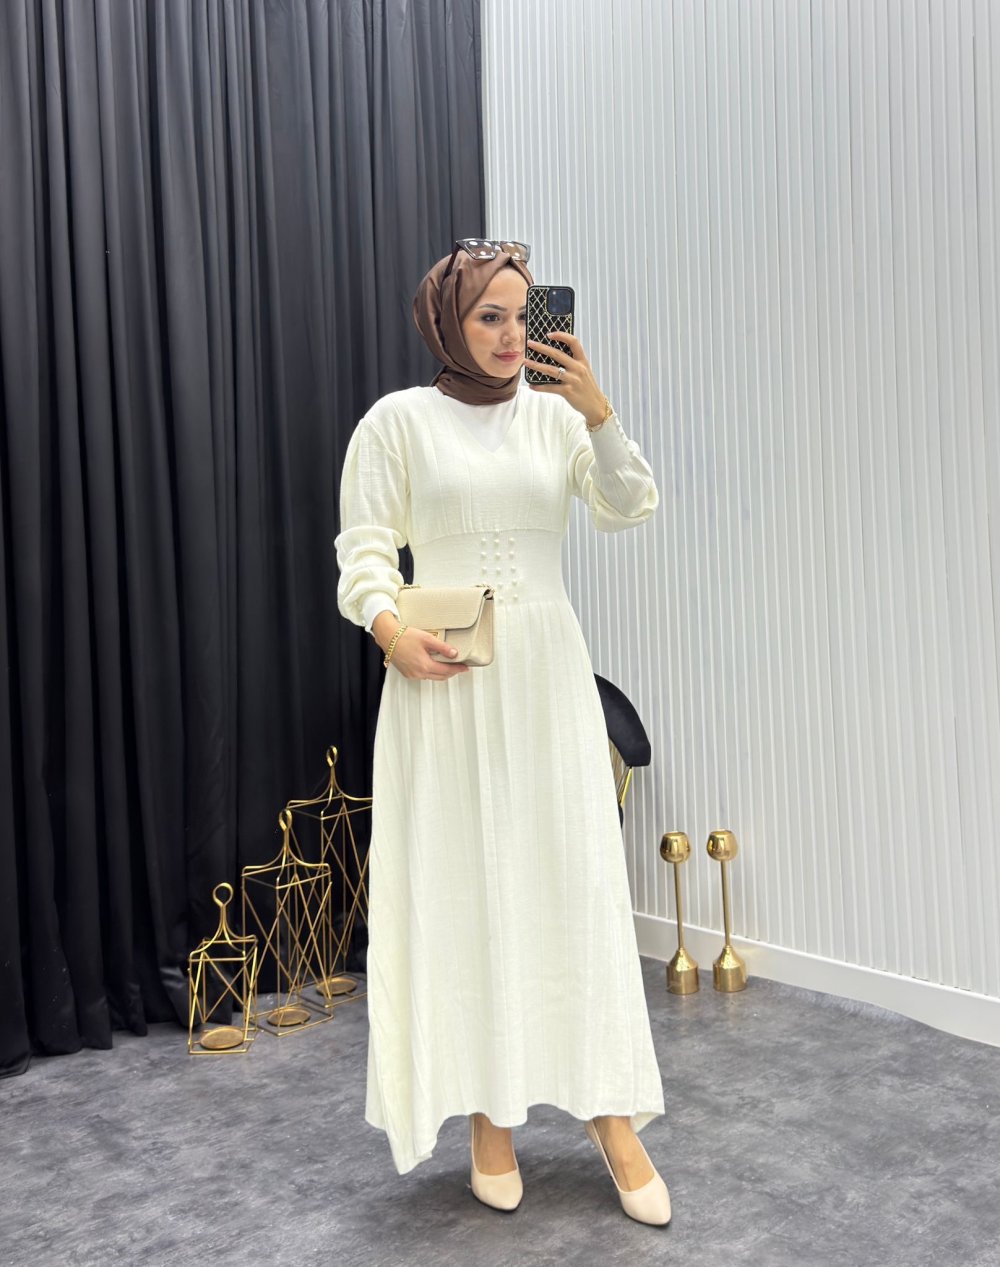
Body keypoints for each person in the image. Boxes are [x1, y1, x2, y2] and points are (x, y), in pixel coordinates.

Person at [335, 240, 670, 1226]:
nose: (513, 334)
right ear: (447, 321)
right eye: (490, 315)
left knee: (572, 886)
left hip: (544, 685)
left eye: (524, 315)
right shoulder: (396, 423)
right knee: (467, 891)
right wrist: (390, 632)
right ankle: (490, 1116)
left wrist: (598, 415)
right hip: (444, 686)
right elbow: (364, 552)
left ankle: (613, 1116)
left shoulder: (557, 418)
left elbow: (628, 505)